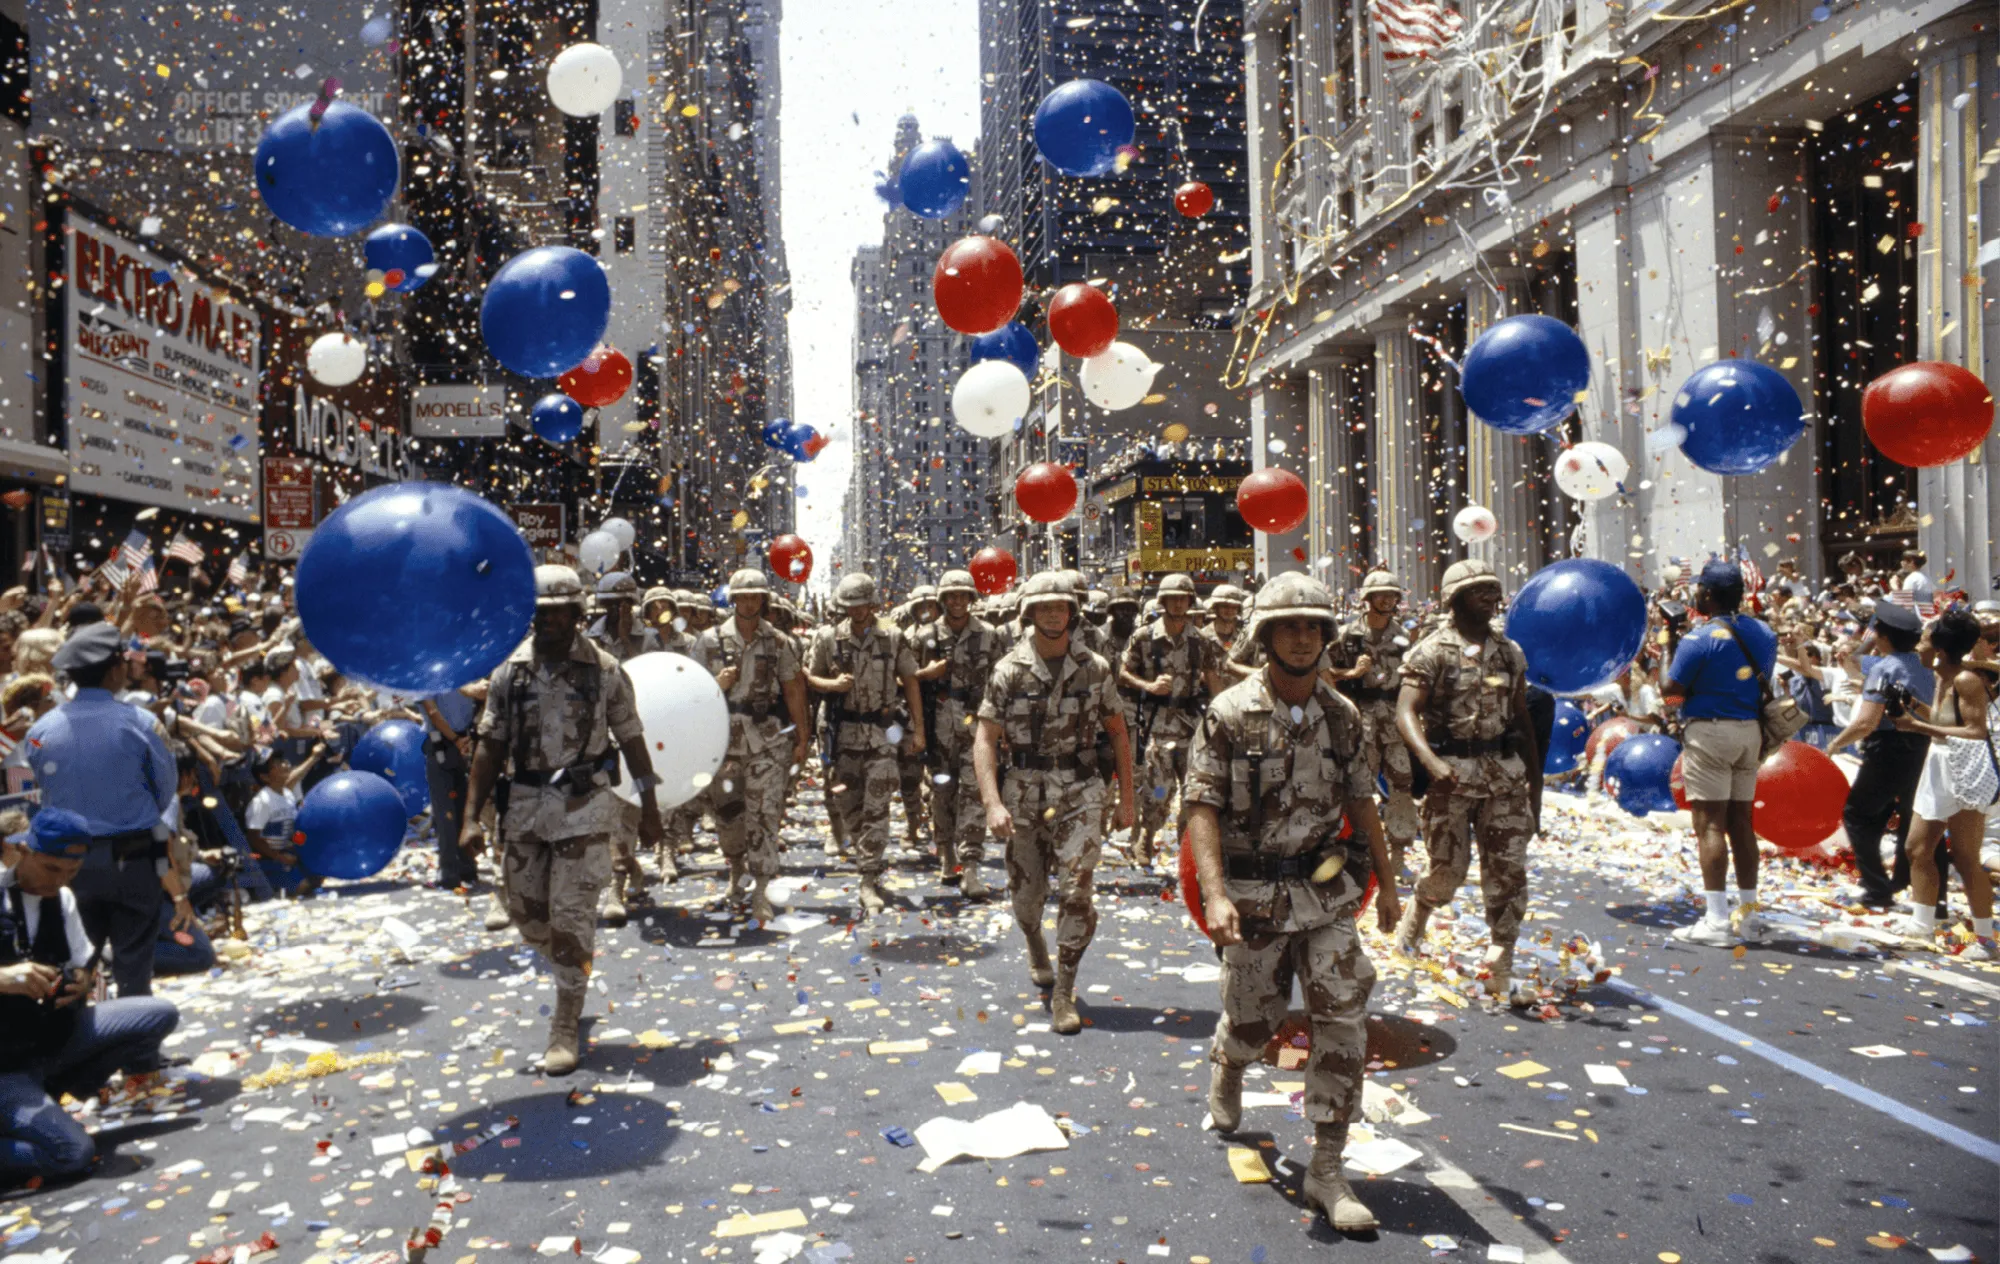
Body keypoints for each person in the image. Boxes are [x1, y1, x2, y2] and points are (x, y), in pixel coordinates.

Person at [1186, 572, 1398, 1232]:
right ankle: (1229, 1060)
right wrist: (1215, 895)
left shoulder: (1344, 716)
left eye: (1313, 627)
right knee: (1256, 1019)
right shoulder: (1228, 714)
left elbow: (1363, 801)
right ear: (1266, 636)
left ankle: (1327, 1170)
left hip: (1326, 891)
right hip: (1253, 897)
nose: (1303, 639)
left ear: (1327, 637)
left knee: (1343, 1015)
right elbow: (1201, 806)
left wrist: (1389, 883)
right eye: (1289, 627)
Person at [458, 566, 669, 1076]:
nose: (548, 622)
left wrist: (650, 812)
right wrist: (471, 817)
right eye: (540, 613)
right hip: (526, 807)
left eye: (558, 613)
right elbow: (490, 744)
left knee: (572, 918)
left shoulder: (605, 670)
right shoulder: (511, 673)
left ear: (578, 614)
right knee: (531, 916)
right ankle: (566, 969)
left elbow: (633, 739)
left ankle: (565, 1019)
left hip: (585, 807)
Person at [973, 571, 1134, 1033]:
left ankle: (1065, 987)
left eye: (1060, 607)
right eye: (1044, 608)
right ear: (1029, 613)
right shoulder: (1008, 671)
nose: (1052, 615)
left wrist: (1127, 800)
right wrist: (992, 804)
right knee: (1027, 901)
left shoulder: (1095, 668)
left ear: (1072, 612)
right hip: (1023, 792)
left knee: (1077, 889)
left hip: (1081, 789)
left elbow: (1119, 733)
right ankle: (1035, 944)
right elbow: (985, 740)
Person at [0, 809, 180, 1187]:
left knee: (157, 1014)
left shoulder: (62, 899)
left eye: (72, 872)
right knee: (72, 1154)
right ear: (22, 852)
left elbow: (84, 964)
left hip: (50, 1039)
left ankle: (62, 1087)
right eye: (52, 869)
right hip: (6, 1065)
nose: (61, 881)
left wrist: (80, 982)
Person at [1393, 559, 1540, 994]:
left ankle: (1502, 956)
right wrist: (1431, 763)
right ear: (1454, 599)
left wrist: (1537, 786)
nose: (1491, 598)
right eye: (1479, 591)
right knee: (1448, 872)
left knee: (1509, 870)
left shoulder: (1510, 652)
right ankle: (1418, 915)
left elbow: (1521, 719)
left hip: (1505, 780)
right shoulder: (1432, 651)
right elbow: (1406, 710)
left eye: (1494, 590)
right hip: (1452, 778)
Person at [23, 625, 179, 997]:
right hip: (133, 856)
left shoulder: (39, 731)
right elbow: (165, 790)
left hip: (67, 862)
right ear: (114, 669)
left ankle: (86, 1050)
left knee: (76, 965)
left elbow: (33, 796)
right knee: (134, 964)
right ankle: (139, 1053)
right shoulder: (142, 723)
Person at [1659, 561, 1780, 947]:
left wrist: (1668, 642)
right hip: (1750, 733)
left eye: (1699, 590)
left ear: (1707, 595)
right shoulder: (1763, 632)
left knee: (1710, 825)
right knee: (1741, 823)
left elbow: (1671, 693)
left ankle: (1715, 920)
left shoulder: (1699, 638)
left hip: (1710, 733)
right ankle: (1748, 918)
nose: (1695, 595)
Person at [805, 572, 924, 915]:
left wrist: (917, 730)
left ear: (873, 604)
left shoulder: (892, 637)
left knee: (878, 805)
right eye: (850, 606)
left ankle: (868, 877)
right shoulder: (828, 638)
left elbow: (911, 681)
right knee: (849, 806)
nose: (857, 612)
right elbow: (809, 679)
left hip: (882, 732)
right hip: (842, 734)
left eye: (863, 605)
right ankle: (865, 856)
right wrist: (833, 685)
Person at [1884, 609, 1996, 956]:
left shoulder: (1966, 680)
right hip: (1939, 765)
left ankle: (1985, 939)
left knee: (1965, 857)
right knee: (1916, 848)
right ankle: (1922, 924)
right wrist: (1913, 707)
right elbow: (1947, 719)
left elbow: (1975, 731)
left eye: (1926, 638)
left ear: (1941, 647)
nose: (1920, 644)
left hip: (1964, 770)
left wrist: (1917, 727)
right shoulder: (1940, 676)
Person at [700, 568, 808, 922]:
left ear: (763, 600)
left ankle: (762, 887)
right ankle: (735, 867)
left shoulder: (778, 642)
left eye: (755, 597)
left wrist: (802, 738)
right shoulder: (708, 641)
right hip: (722, 740)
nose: (748, 603)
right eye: (742, 597)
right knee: (728, 816)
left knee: (764, 816)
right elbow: (690, 694)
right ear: (733, 600)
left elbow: (793, 689)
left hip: (767, 739)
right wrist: (716, 683)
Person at [1825, 603, 1935, 908]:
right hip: (1922, 746)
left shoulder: (1884, 668)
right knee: (1907, 817)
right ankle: (1901, 879)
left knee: (1857, 814)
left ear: (1883, 636)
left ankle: (1877, 888)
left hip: (1888, 747)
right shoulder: (1926, 667)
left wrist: (1835, 745)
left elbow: (1866, 722)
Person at [910, 569, 1005, 897]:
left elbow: (1003, 680)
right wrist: (925, 674)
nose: (957, 601)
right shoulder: (924, 637)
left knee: (975, 792)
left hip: (977, 724)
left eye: (962, 595)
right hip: (939, 726)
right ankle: (946, 853)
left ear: (971, 598)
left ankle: (972, 865)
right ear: (942, 600)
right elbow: (905, 682)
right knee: (942, 793)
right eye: (951, 596)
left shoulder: (989, 635)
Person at [1119, 573, 1224, 867]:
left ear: (1190, 601)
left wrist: (1221, 717)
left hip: (1192, 726)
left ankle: (1186, 846)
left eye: (1183, 598)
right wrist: (1148, 686)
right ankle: (1146, 838)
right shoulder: (1144, 637)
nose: (1178, 603)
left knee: (1195, 789)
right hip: (1158, 725)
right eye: (1173, 598)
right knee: (1160, 790)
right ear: (1163, 601)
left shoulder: (1201, 641)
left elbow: (1214, 681)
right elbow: (1122, 672)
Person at [1326, 569, 1419, 879]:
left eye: (1393, 595)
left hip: (1394, 721)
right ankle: (1359, 854)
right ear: (1367, 599)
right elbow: (1322, 673)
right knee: (1358, 789)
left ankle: (1397, 856)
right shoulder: (1347, 636)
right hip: (1360, 720)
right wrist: (1350, 674)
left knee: (1401, 787)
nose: (1388, 599)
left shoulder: (1404, 638)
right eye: (1382, 594)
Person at [588, 572, 666, 926]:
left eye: (624, 604)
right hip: (596, 739)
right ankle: (628, 867)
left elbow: (649, 679)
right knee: (600, 819)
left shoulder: (648, 638)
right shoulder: (587, 640)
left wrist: (625, 640)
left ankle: (615, 888)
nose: (617, 609)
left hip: (635, 735)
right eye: (611, 604)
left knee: (625, 815)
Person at [420, 686, 483, 893]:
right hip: (465, 741)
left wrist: (456, 740)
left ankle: (449, 873)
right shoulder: (466, 672)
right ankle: (468, 868)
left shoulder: (427, 675)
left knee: (445, 811)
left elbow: (432, 712)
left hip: (445, 744)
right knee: (463, 806)